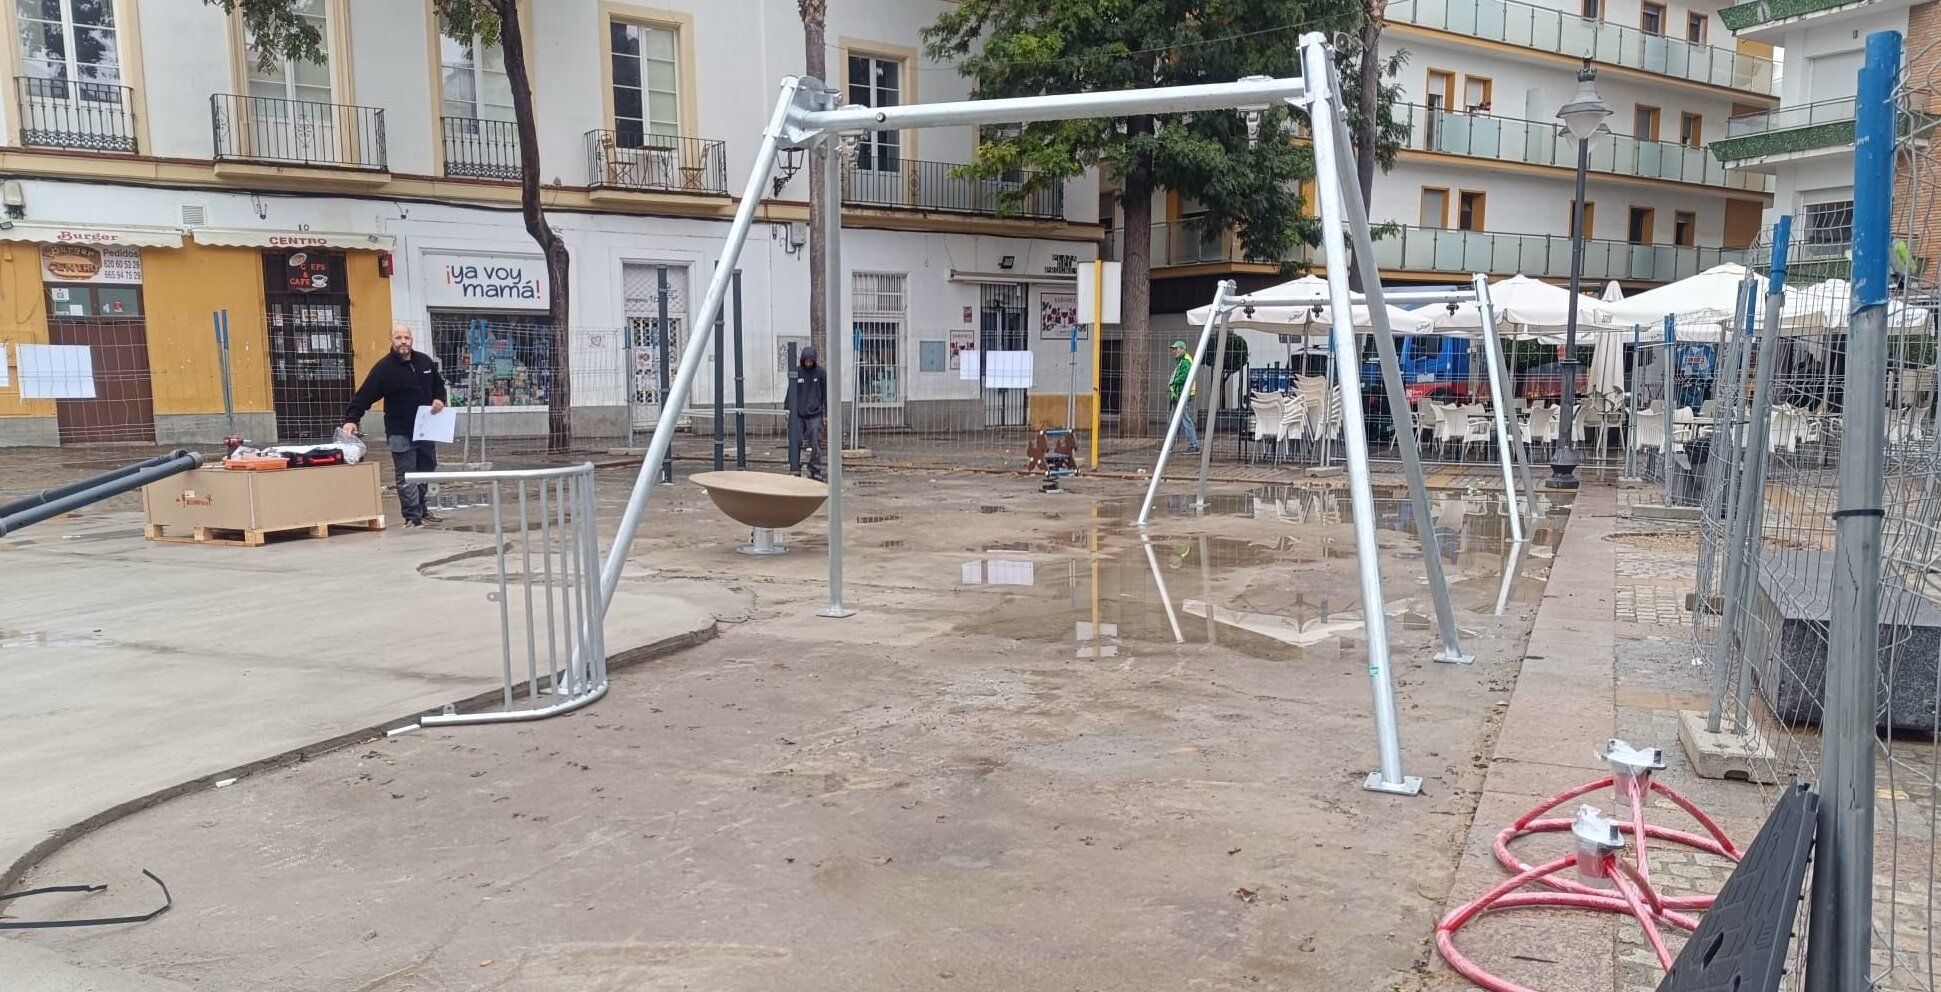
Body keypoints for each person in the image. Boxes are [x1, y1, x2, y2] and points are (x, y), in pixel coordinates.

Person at [342, 323, 447, 527]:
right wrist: (352, 419)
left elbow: (438, 385)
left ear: (411, 340)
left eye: (406, 338)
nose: (403, 342)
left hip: (426, 428)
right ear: (391, 340)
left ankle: (422, 509)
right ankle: (412, 517)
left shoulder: (425, 362)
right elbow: (365, 395)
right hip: (400, 430)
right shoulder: (384, 369)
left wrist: (440, 399)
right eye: (398, 338)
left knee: (426, 470)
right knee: (407, 474)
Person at [784, 345, 828, 481]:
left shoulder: (821, 373)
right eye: (806, 361)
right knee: (795, 440)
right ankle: (795, 467)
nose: (808, 363)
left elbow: (825, 393)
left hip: (815, 413)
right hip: (798, 412)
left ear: (814, 360)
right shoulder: (796, 372)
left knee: (815, 440)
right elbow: (790, 392)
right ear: (803, 360)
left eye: (811, 361)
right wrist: (787, 409)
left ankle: (814, 469)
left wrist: (826, 414)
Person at [1167, 339, 1201, 453]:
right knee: (1174, 421)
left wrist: (1174, 382)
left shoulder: (1185, 361)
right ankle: (1169, 446)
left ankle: (1194, 445)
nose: (1174, 351)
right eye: (1173, 349)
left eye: (1176, 349)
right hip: (1179, 395)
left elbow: (1184, 376)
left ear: (1182, 349)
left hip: (1182, 395)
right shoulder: (1182, 361)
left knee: (1184, 420)